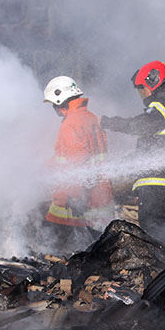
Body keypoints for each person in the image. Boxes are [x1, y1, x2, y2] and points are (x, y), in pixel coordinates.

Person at [99, 61, 165, 243]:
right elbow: (156, 145)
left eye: (142, 88)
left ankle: (160, 270)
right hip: (164, 183)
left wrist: (108, 122)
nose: (141, 94)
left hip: (159, 183)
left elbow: (143, 125)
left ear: (153, 81)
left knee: (154, 236)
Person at [42, 76, 114, 251]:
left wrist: (71, 195)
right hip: (98, 192)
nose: (54, 109)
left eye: (53, 104)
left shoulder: (70, 123)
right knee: (100, 242)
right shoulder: (90, 118)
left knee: (51, 238)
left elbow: (77, 161)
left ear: (60, 99)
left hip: (75, 194)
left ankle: (45, 265)